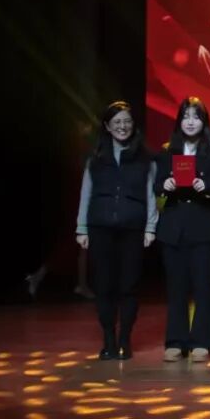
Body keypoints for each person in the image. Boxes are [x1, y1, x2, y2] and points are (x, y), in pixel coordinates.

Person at [74, 101, 157, 360]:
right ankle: (108, 339)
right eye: (117, 122)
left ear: (134, 125)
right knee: (104, 286)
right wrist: (81, 228)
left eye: (127, 122)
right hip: (100, 228)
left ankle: (125, 340)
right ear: (108, 127)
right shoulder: (96, 158)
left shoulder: (145, 159)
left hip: (133, 229)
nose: (123, 126)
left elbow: (152, 195)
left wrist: (151, 227)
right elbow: (86, 193)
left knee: (129, 287)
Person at [154, 97, 210, 363]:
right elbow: (156, 186)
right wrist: (165, 185)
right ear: (179, 121)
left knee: (203, 287)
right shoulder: (167, 151)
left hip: (203, 226)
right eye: (186, 116)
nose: (190, 122)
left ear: (204, 122)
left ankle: (201, 342)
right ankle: (175, 341)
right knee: (176, 287)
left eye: (196, 117)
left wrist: (205, 187)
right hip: (173, 226)